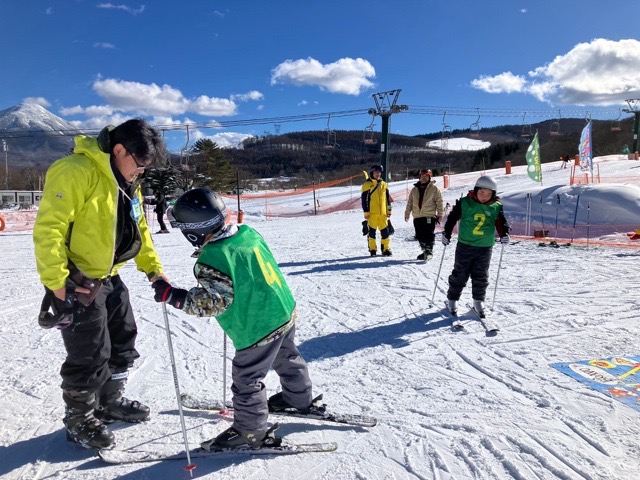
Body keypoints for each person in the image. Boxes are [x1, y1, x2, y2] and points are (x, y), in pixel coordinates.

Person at [33, 119, 167, 449]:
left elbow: (140, 229)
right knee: (89, 352)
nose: (141, 172)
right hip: (78, 281)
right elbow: (48, 229)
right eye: (139, 163)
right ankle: (78, 417)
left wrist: (154, 270)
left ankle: (110, 401)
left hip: (111, 277)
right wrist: (57, 284)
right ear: (119, 150)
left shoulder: (126, 181)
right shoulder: (75, 170)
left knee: (123, 340)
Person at [152, 188, 316, 449]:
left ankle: (250, 431)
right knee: (287, 356)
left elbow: (214, 303)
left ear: (192, 231)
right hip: (282, 310)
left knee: (246, 378)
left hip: (258, 325)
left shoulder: (214, 256)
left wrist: (175, 296)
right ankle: (299, 398)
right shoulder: (246, 233)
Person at [441, 175, 510, 316]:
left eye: (488, 193)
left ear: (493, 194)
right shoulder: (465, 203)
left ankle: (478, 300)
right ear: (476, 191)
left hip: (485, 248)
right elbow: (452, 218)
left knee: (481, 276)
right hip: (465, 246)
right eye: (482, 192)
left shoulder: (496, 207)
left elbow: (501, 222)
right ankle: (452, 299)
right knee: (460, 274)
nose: (484, 196)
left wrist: (504, 234)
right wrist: (446, 233)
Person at [404, 169, 444, 261]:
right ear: (419, 177)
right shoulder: (414, 189)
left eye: (426, 176)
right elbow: (410, 202)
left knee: (428, 234)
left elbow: (439, 202)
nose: (424, 178)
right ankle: (424, 251)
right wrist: (407, 213)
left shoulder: (434, 189)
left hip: (429, 215)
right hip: (417, 216)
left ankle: (429, 251)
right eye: (422, 176)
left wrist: (440, 214)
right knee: (419, 235)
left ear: (429, 177)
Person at [361, 165, 393, 256]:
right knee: (372, 233)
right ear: (372, 173)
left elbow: (387, 199)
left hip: (383, 214)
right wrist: (366, 211)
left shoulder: (384, 184)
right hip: (372, 214)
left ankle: (386, 249)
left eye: (379, 172)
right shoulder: (367, 184)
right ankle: (372, 249)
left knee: (385, 233)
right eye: (376, 172)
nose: (378, 174)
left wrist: (389, 210)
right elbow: (364, 200)